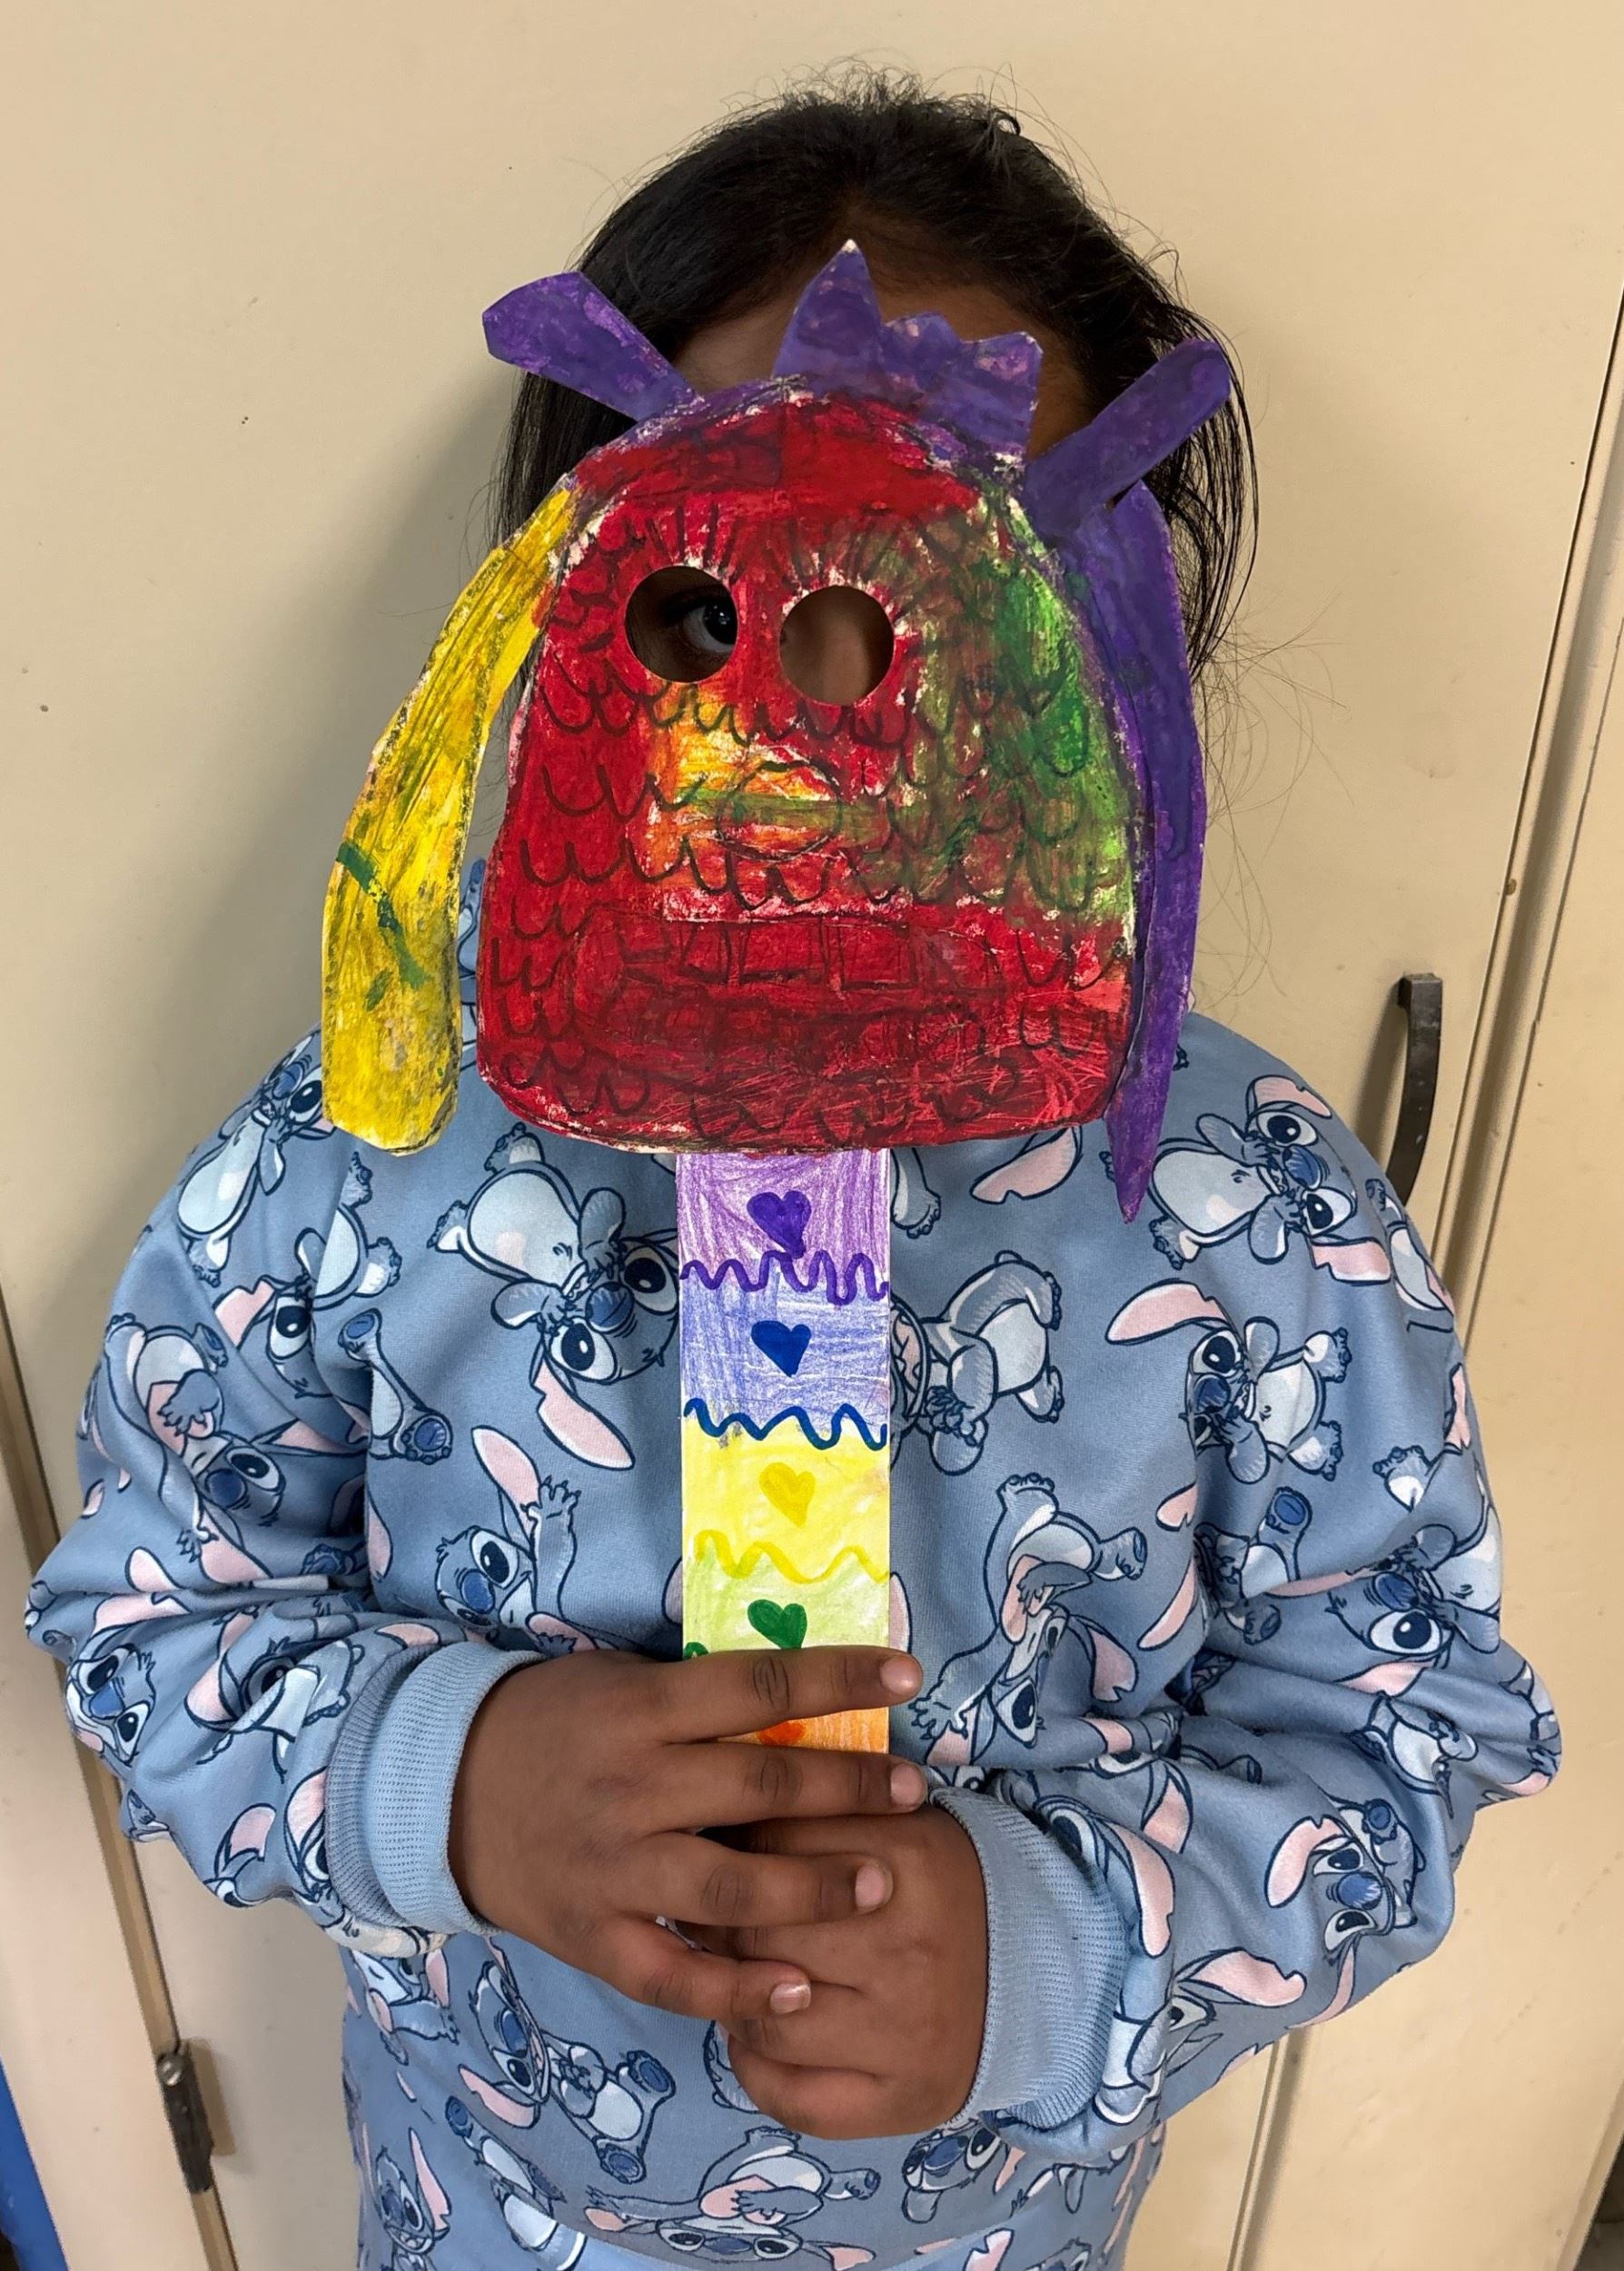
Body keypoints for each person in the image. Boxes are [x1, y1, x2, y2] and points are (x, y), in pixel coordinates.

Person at [25, 68, 1558, 2271]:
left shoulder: (1263, 1219)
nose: (823, 737)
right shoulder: (371, 1140)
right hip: (489, 2216)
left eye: (956, 590)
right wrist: (449, 1770)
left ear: (1126, 643)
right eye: (709, 605)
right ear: (561, 618)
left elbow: (1405, 1733)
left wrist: (1052, 1942)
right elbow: (146, 1609)